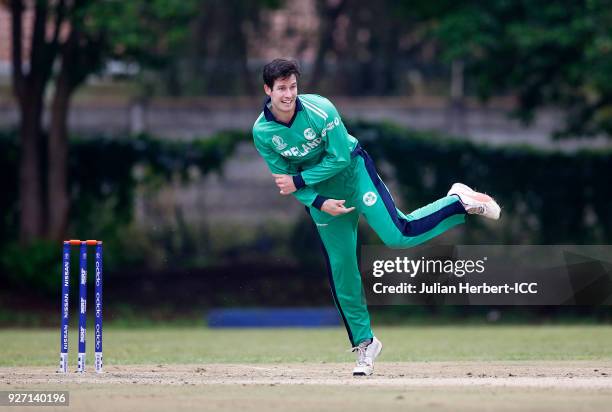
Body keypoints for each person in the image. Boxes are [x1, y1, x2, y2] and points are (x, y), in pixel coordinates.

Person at [252, 58, 500, 376]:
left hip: (355, 176)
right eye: (282, 88)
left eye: (293, 87)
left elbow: (339, 158)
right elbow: (283, 180)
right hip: (322, 198)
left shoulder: (321, 110)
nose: (289, 95)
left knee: (399, 234)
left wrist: (301, 182)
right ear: (268, 90)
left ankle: (457, 201)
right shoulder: (262, 131)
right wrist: (319, 201)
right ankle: (365, 345)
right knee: (343, 271)